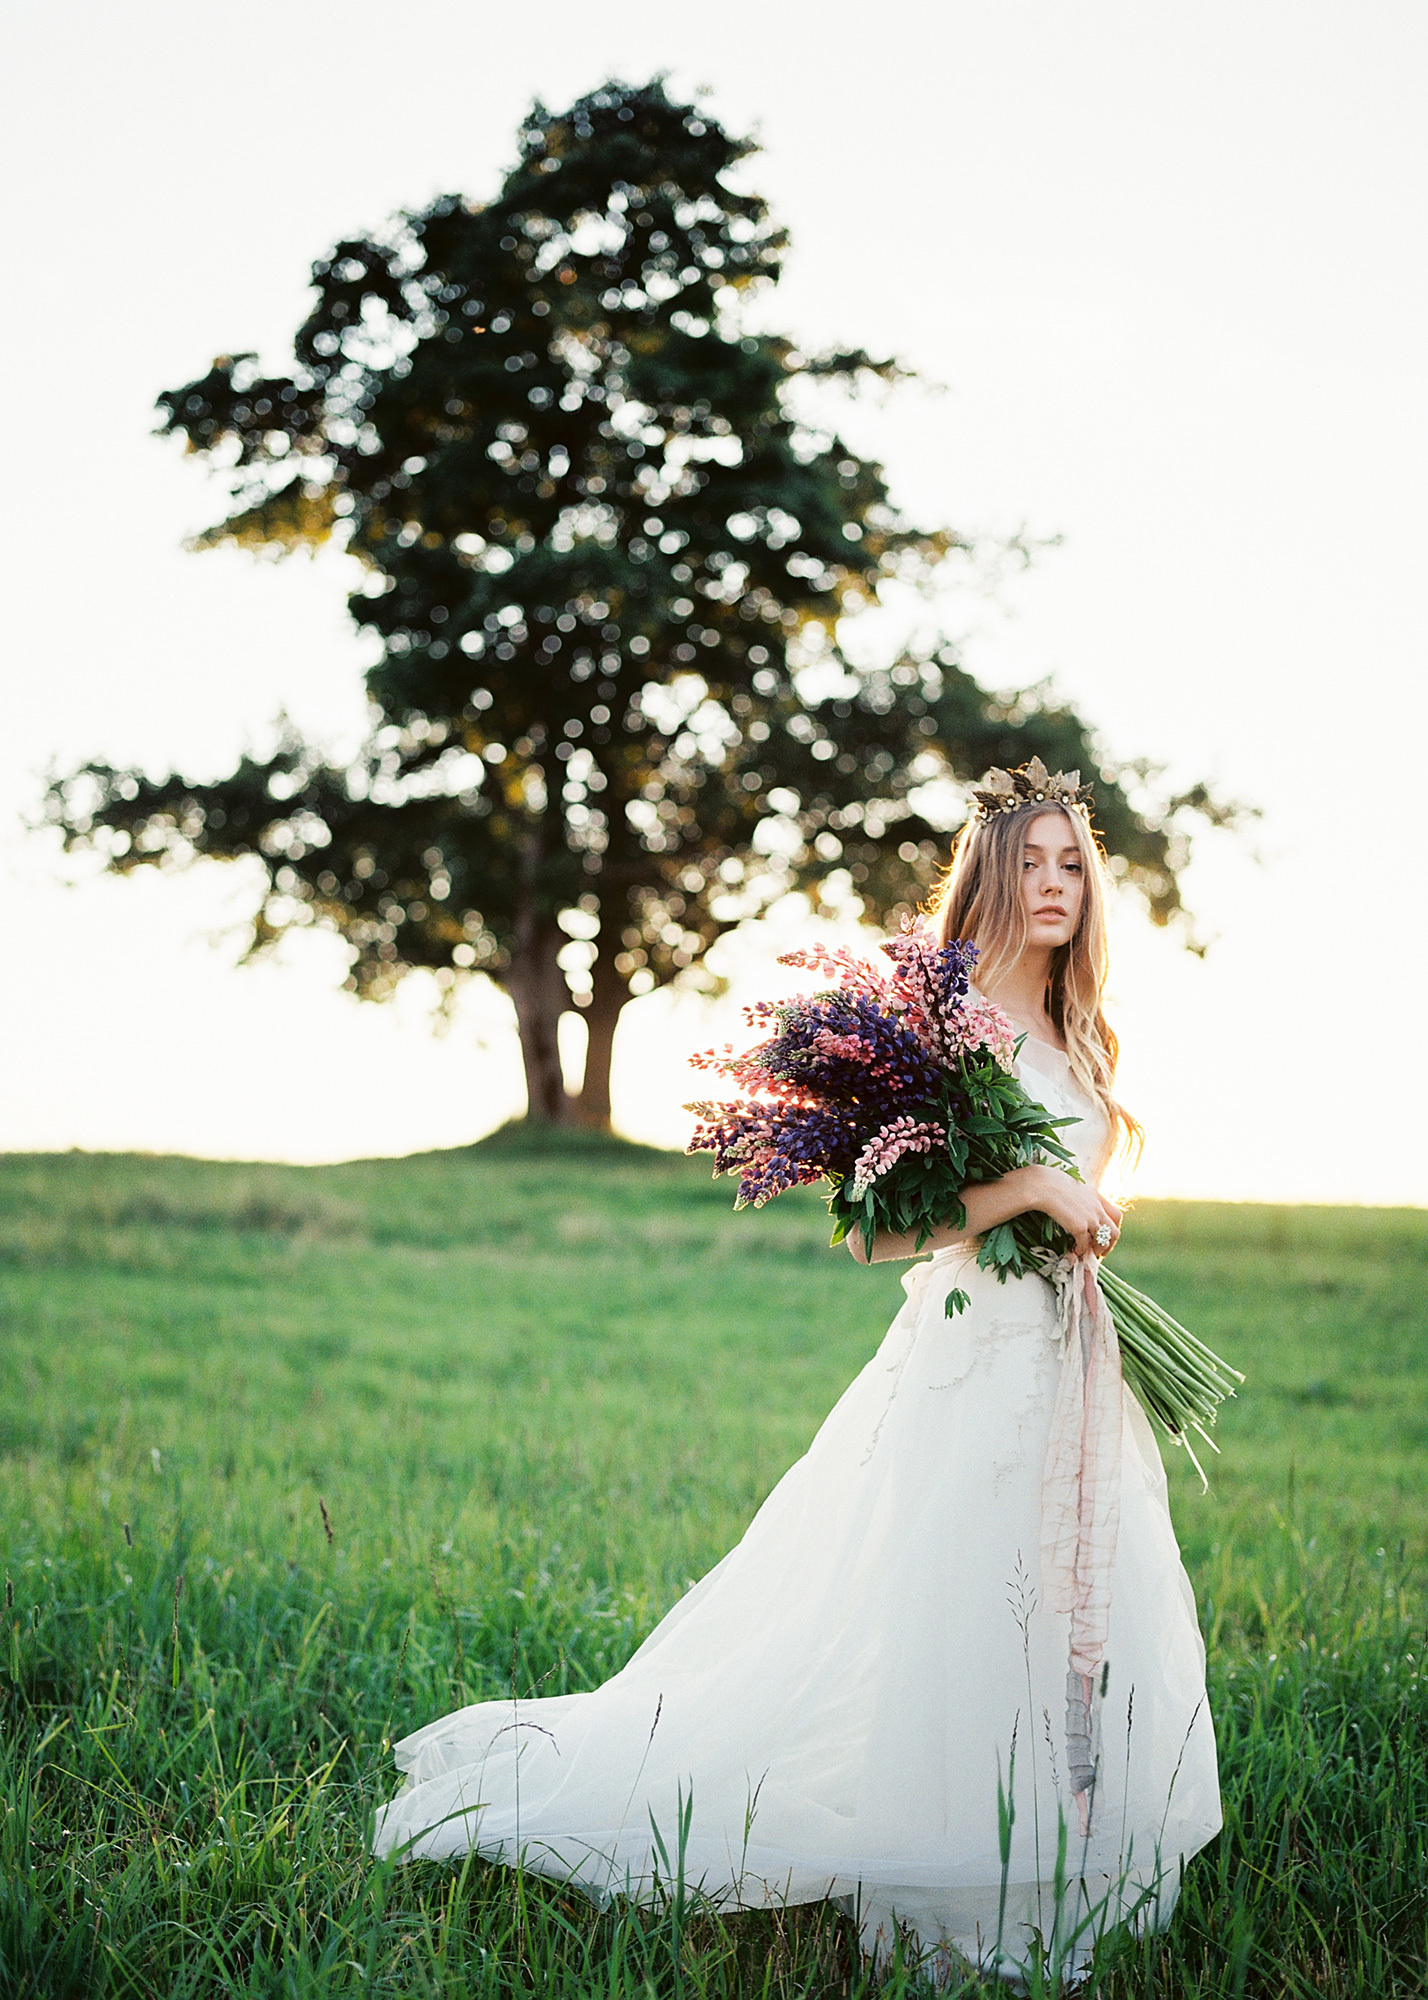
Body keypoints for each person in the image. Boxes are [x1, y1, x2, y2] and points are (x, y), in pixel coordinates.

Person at [373, 765, 1222, 1985]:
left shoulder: (1082, 1035)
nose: (1053, 885)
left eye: (1072, 864)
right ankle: (952, 1885)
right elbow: (882, 1228)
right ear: (988, 877)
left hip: (1073, 1358)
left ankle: (1066, 1861)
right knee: (974, 1613)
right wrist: (1034, 1189)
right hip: (975, 1364)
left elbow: (1071, 1182)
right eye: (1029, 862)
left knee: (1079, 1611)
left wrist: (1088, 1215)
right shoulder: (945, 1024)